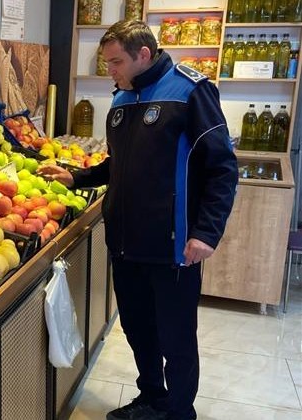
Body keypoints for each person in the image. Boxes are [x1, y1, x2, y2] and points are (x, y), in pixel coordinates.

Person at [38, 20, 238, 420]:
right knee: (137, 327)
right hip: (126, 243)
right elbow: (120, 165)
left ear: (143, 55)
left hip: (174, 245)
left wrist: (206, 233)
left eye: (115, 62)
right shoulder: (121, 101)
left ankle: (179, 411)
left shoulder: (191, 91)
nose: (109, 71)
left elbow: (222, 167)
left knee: (176, 337)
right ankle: (151, 397)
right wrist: (77, 177)